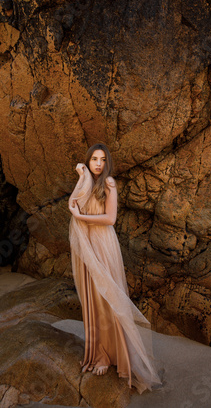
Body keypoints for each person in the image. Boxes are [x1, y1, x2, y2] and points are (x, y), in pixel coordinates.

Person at [68, 143, 161, 393]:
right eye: (93, 160)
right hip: (87, 245)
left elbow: (110, 219)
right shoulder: (87, 181)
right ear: (88, 162)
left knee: (105, 298)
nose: (98, 163)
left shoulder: (108, 183)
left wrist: (82, 218)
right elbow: (73, 203)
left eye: (102, 160)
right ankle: (97, 353)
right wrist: (82, 176)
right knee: (91, 298)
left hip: (102, 244)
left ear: (107, 163)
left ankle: (108, 356)